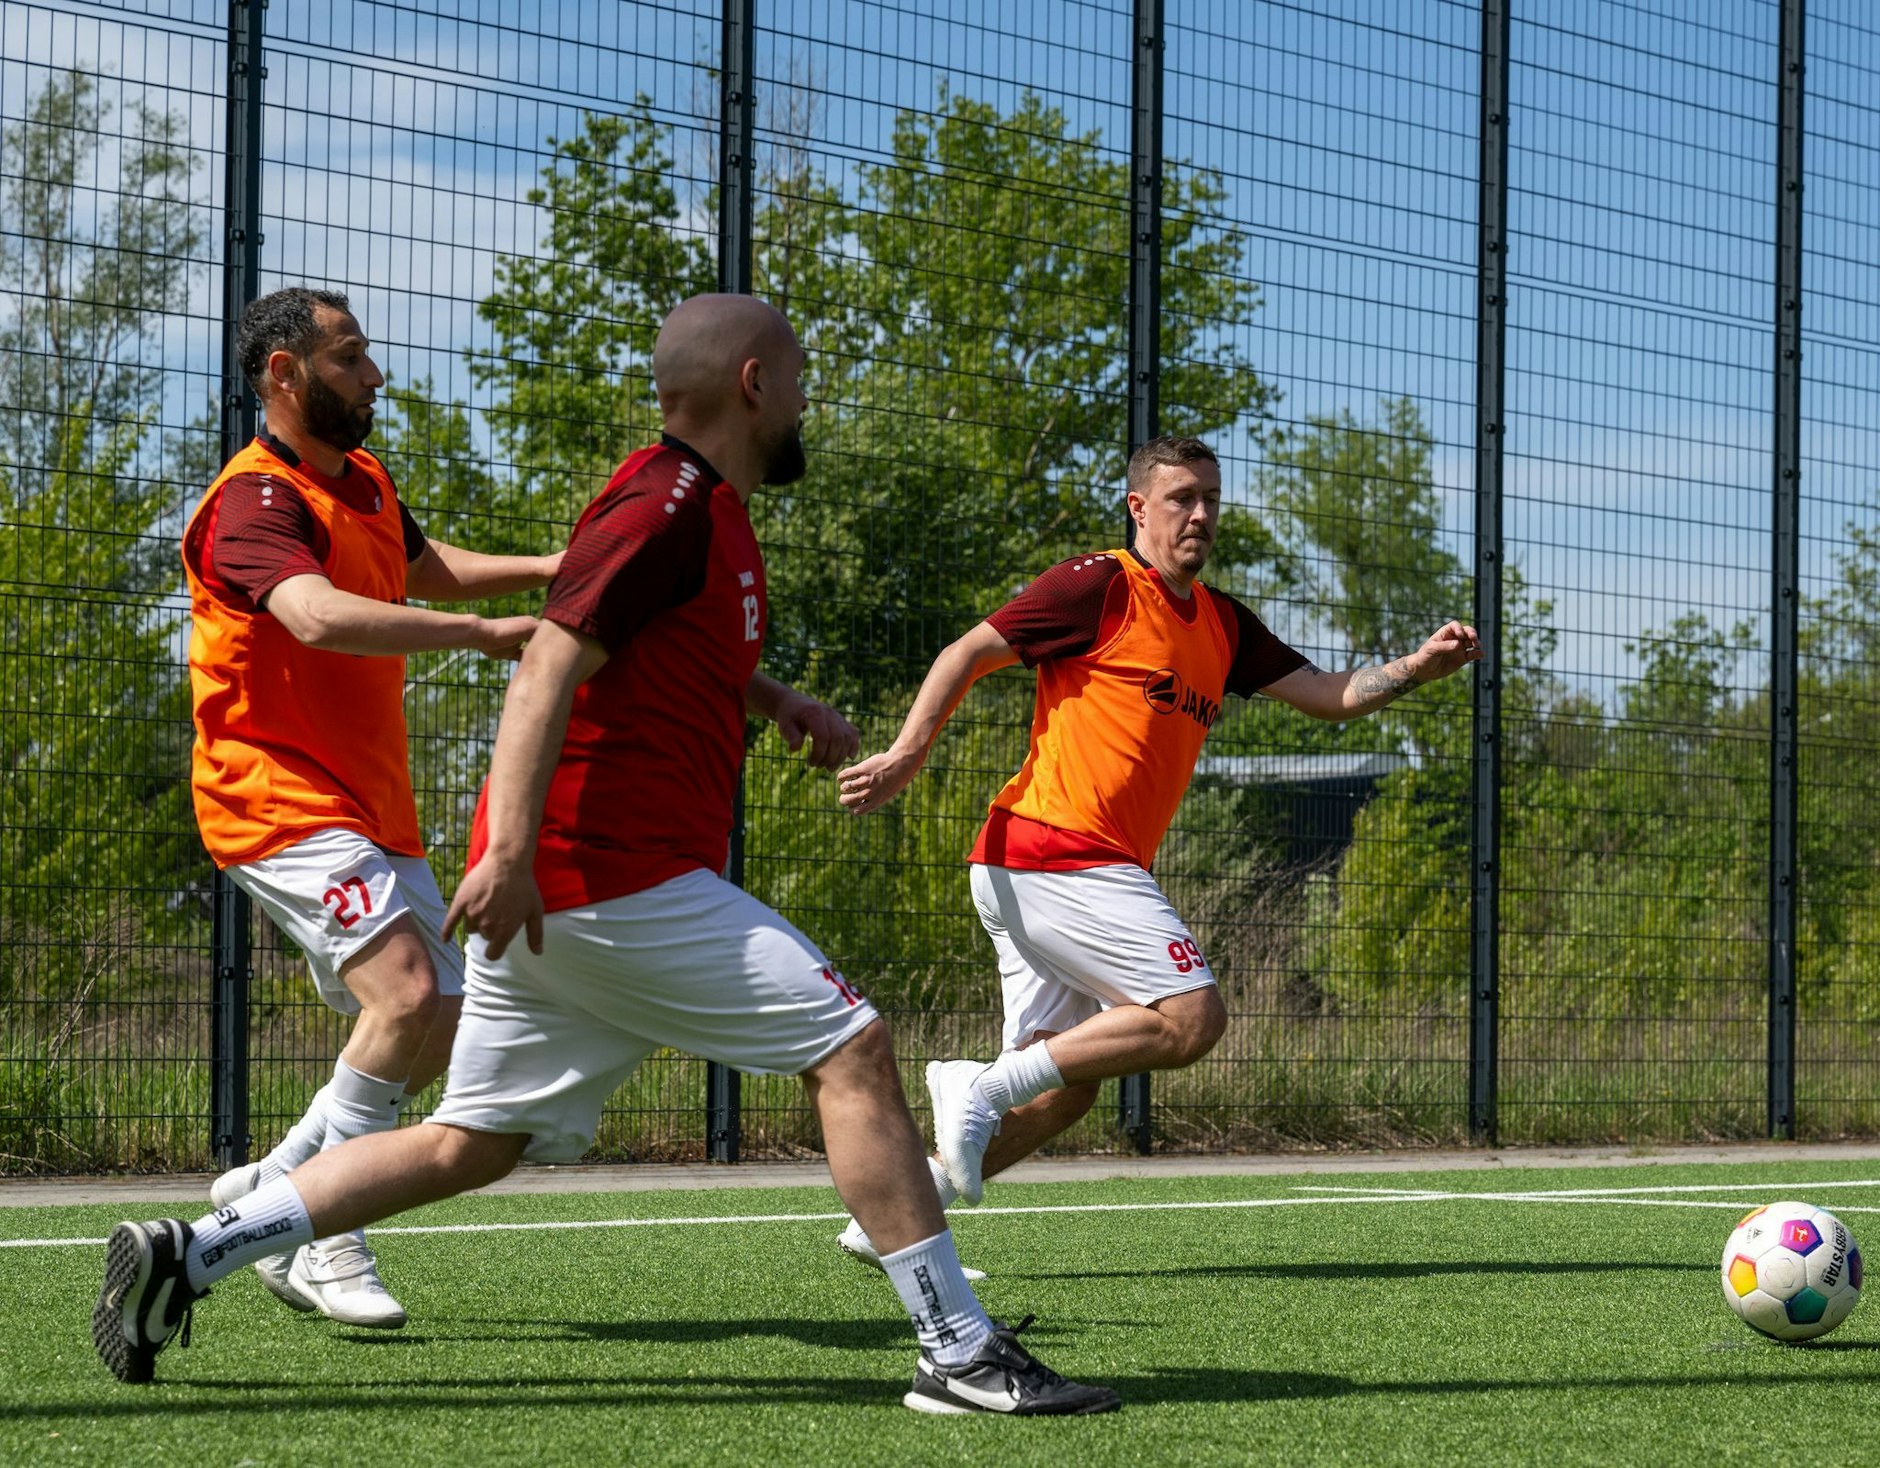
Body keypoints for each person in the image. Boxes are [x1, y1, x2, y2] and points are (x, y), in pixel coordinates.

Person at [94, 294, 1120, 1417]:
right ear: (750, 383)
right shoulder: (665, 502)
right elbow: (539, 667)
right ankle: (959, 1349)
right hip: (602, 876)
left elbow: (644, 648)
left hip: (579, 886)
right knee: (855, 1048)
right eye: (798, 376)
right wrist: (517, 851)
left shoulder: (701, 513)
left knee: (466, 1144)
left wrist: (773, 700)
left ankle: (188, 1252)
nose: (806, 398)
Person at [830, 434, 1480, 1266]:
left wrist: (1417, 668)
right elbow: (969, 650)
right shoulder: (1098, 584)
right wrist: (909, 751)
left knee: (1067, 1092)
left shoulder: (1222, 624)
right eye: (1182, 498)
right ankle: (979, 1087)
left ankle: (890, 1223)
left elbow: (1327, 696)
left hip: (1043, 866)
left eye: (1211, 497)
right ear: (1139, 507)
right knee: (1190, 1017)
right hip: (1053, 847)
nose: (1201, 514)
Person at [181, 287, 559, 1328]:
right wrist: (483, 637)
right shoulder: (252, 502)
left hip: (371, 806)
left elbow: (420, 567)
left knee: (447, 1012)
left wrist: (549, 572)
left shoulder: (369, 484)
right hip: (276, 796)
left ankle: (284, 1180)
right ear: (283, 375)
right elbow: (313, 615)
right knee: (401, 994)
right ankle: (319, 1231)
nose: (375, 376)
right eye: (350, 359)